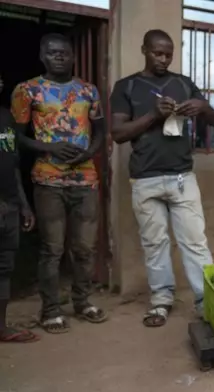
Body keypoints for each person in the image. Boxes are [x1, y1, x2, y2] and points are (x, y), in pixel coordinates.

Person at [110, 29, 214, 328]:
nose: (163, 59)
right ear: (144, 49)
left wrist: (203, 107)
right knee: (154, 243)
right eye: (157, 53)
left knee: (195, 243)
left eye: (168, 53)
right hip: (145, 179)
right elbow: (118, 134)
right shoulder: (127, 87)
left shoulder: (183, 83)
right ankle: (160, 301)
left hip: (182, 176)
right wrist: (152, 117)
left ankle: (206, 302)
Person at [11, 33, 108, 334]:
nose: (59, 57)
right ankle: (50, 310)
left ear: (73, 56)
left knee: (85, 248)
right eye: (53, 53)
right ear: (43, 55)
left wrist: (90, 153)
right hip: (48, 180)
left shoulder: (88, 91)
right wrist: (48, 148)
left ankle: (82, 301)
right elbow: (13, 136)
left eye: (64, 53)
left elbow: (101, 131)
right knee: (51, 249)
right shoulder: (27, 91)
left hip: (85, 180)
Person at [0, 74, 38, 343]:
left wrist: (23, 205)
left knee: (4, 268)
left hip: (8, 205)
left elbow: (11, 163)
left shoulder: (5, 118)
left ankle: (1, 328)